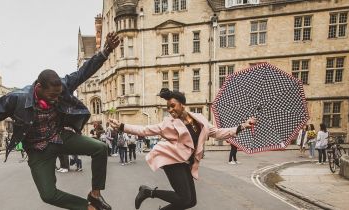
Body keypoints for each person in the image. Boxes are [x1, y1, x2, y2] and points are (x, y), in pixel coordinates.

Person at [0, 32, 120, 210]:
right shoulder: (16, 99)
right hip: (37, 148)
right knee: (48, 195)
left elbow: (83, 72)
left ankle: (95, 195)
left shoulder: (61, 86)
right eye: (51, 96)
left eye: (58, 95)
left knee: (100, 148)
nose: (55, 99)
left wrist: (104, 52)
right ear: (38, 87)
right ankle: (88, 207)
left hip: (59, 136)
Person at [108, 88, 256, 210]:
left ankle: (149, 193)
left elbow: (218, 133)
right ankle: (148, 192)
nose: (170, 110)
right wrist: (122, 126)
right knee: (184, 198)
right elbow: (145, 129)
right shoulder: (169, 123)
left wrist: (242, 126)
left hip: (185, 162)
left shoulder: (200, 120)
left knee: (191, 202)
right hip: (171, 159)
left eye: (173, 106)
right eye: (168, 107)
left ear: (182, 105)